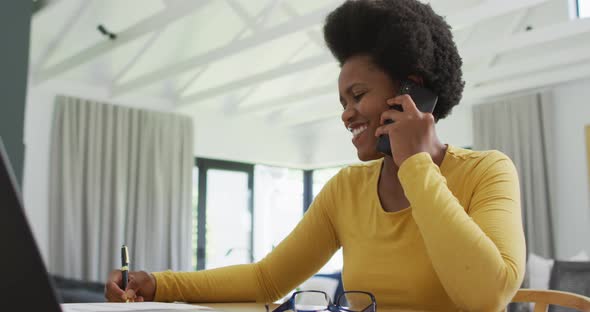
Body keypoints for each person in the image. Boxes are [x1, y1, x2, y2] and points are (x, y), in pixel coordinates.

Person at [104, 0, 526, 310]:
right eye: (343, 100)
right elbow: (267, 279)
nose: (346, 114)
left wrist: (415, 163)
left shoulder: (487, 171)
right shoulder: (347, 189)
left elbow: (487, 295)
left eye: (358, 95)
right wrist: (157, 284)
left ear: (408, 91)